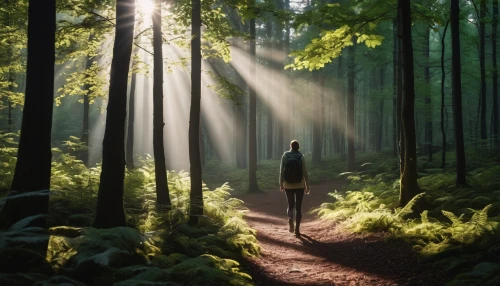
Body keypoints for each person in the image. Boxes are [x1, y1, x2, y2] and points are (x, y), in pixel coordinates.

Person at [279, 140, 310, 235]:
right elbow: (305, 172)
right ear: (298, 147)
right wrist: (307, 185)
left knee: (290, 204)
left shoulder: (285, 156)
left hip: (288, 184)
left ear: (290, 146)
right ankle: (297, 229)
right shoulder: (301, 157)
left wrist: (281, 184)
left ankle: (290, 219)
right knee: (298, 207)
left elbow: (281, 171)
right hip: (300, 184)